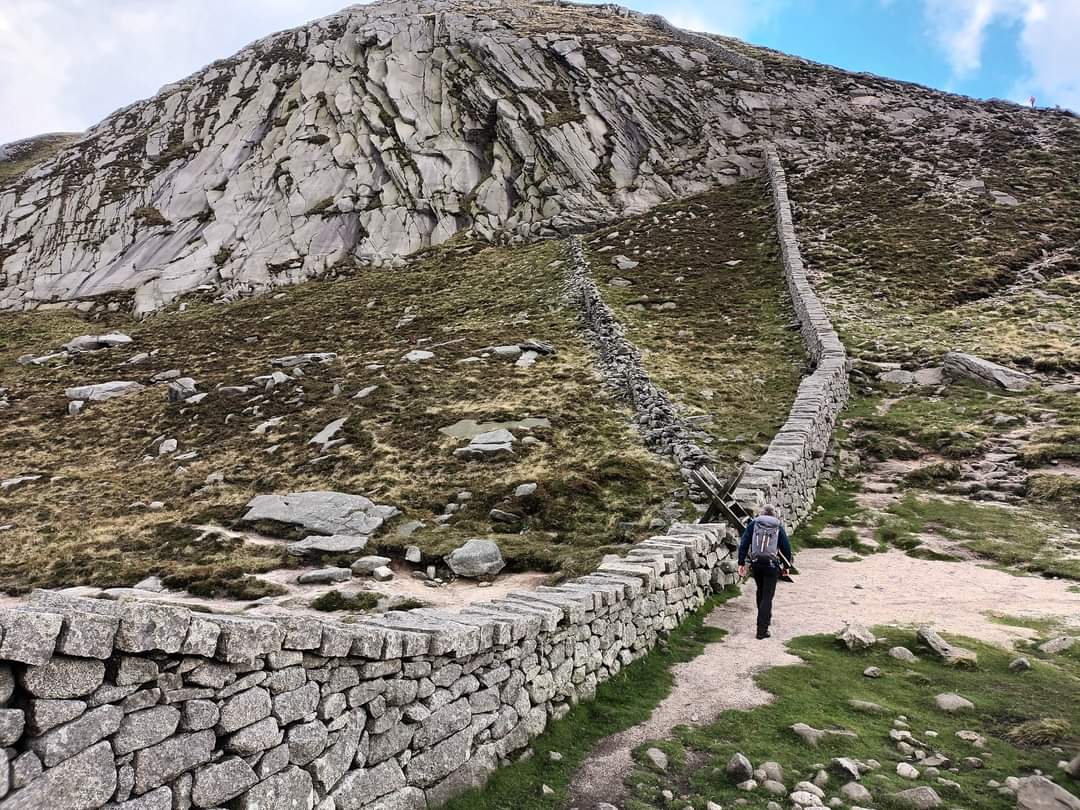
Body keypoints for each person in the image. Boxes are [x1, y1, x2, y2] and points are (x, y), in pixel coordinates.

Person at [737, 504, 793, 640]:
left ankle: (764, 618)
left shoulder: (754, 524)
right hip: (771, 565)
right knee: (768, 596)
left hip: (756, 563)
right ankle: (762, 629)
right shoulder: (777, 526)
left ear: (762, 513)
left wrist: (741, 562)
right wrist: (787, 566)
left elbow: (744, 542)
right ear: (773, 514)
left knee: (760, 591)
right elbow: (786, 547)